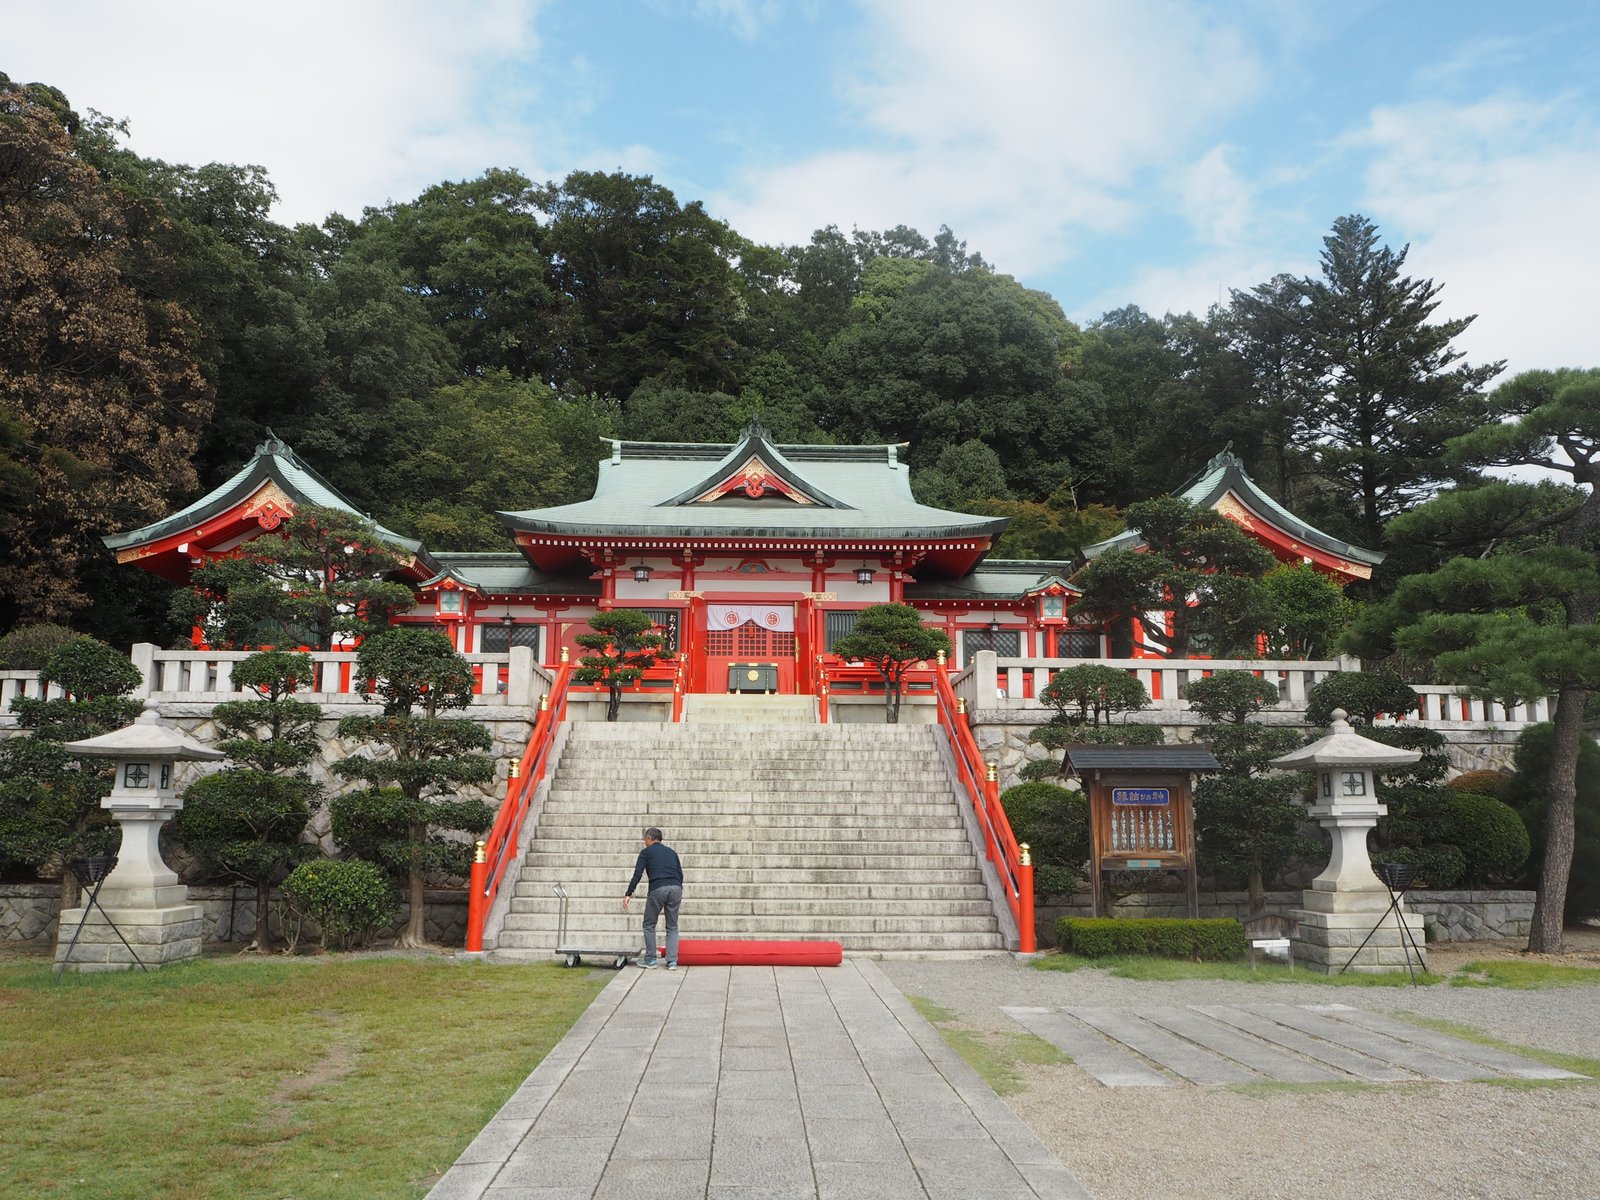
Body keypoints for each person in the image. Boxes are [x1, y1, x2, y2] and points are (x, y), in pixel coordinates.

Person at [622, 826, 683, 970]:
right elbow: (680, 874)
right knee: (672, 926)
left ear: (649, 839)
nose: (644, 842)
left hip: (658, 888)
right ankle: (672, 961)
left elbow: (638, 874)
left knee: (649, 924)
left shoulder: (646, 852)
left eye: (645, 839)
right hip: (675, 888)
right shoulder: (672, 852)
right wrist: (677, 888)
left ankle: (650, 960)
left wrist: (628, 893)